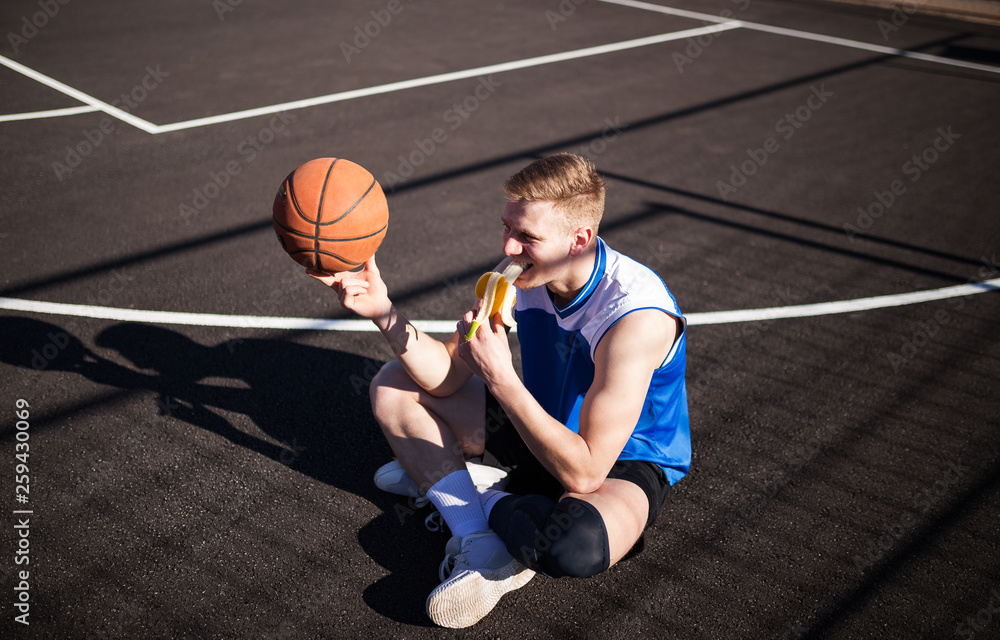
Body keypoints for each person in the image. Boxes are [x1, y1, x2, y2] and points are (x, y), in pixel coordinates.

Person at [308, 153, 690, 628]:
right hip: (540, 423)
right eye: (506, 227)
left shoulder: (634, 319)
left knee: (574, 546)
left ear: (580, 239)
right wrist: (384, 312)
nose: (509, 247)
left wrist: (501, 378)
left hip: (620, 459)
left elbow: (586, 473)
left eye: (527, 236)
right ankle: (477, 534)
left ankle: (465, 489)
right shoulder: (521, 273)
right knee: (393, 384)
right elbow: (444, 377)